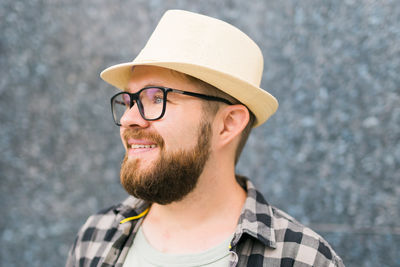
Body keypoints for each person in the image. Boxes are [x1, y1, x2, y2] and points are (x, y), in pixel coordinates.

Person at [66, 9, 344, 267]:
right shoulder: (95, 237)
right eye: (129, 101)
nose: (128, 119)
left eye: (157, 98)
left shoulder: (301, 259)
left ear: (227, 124)